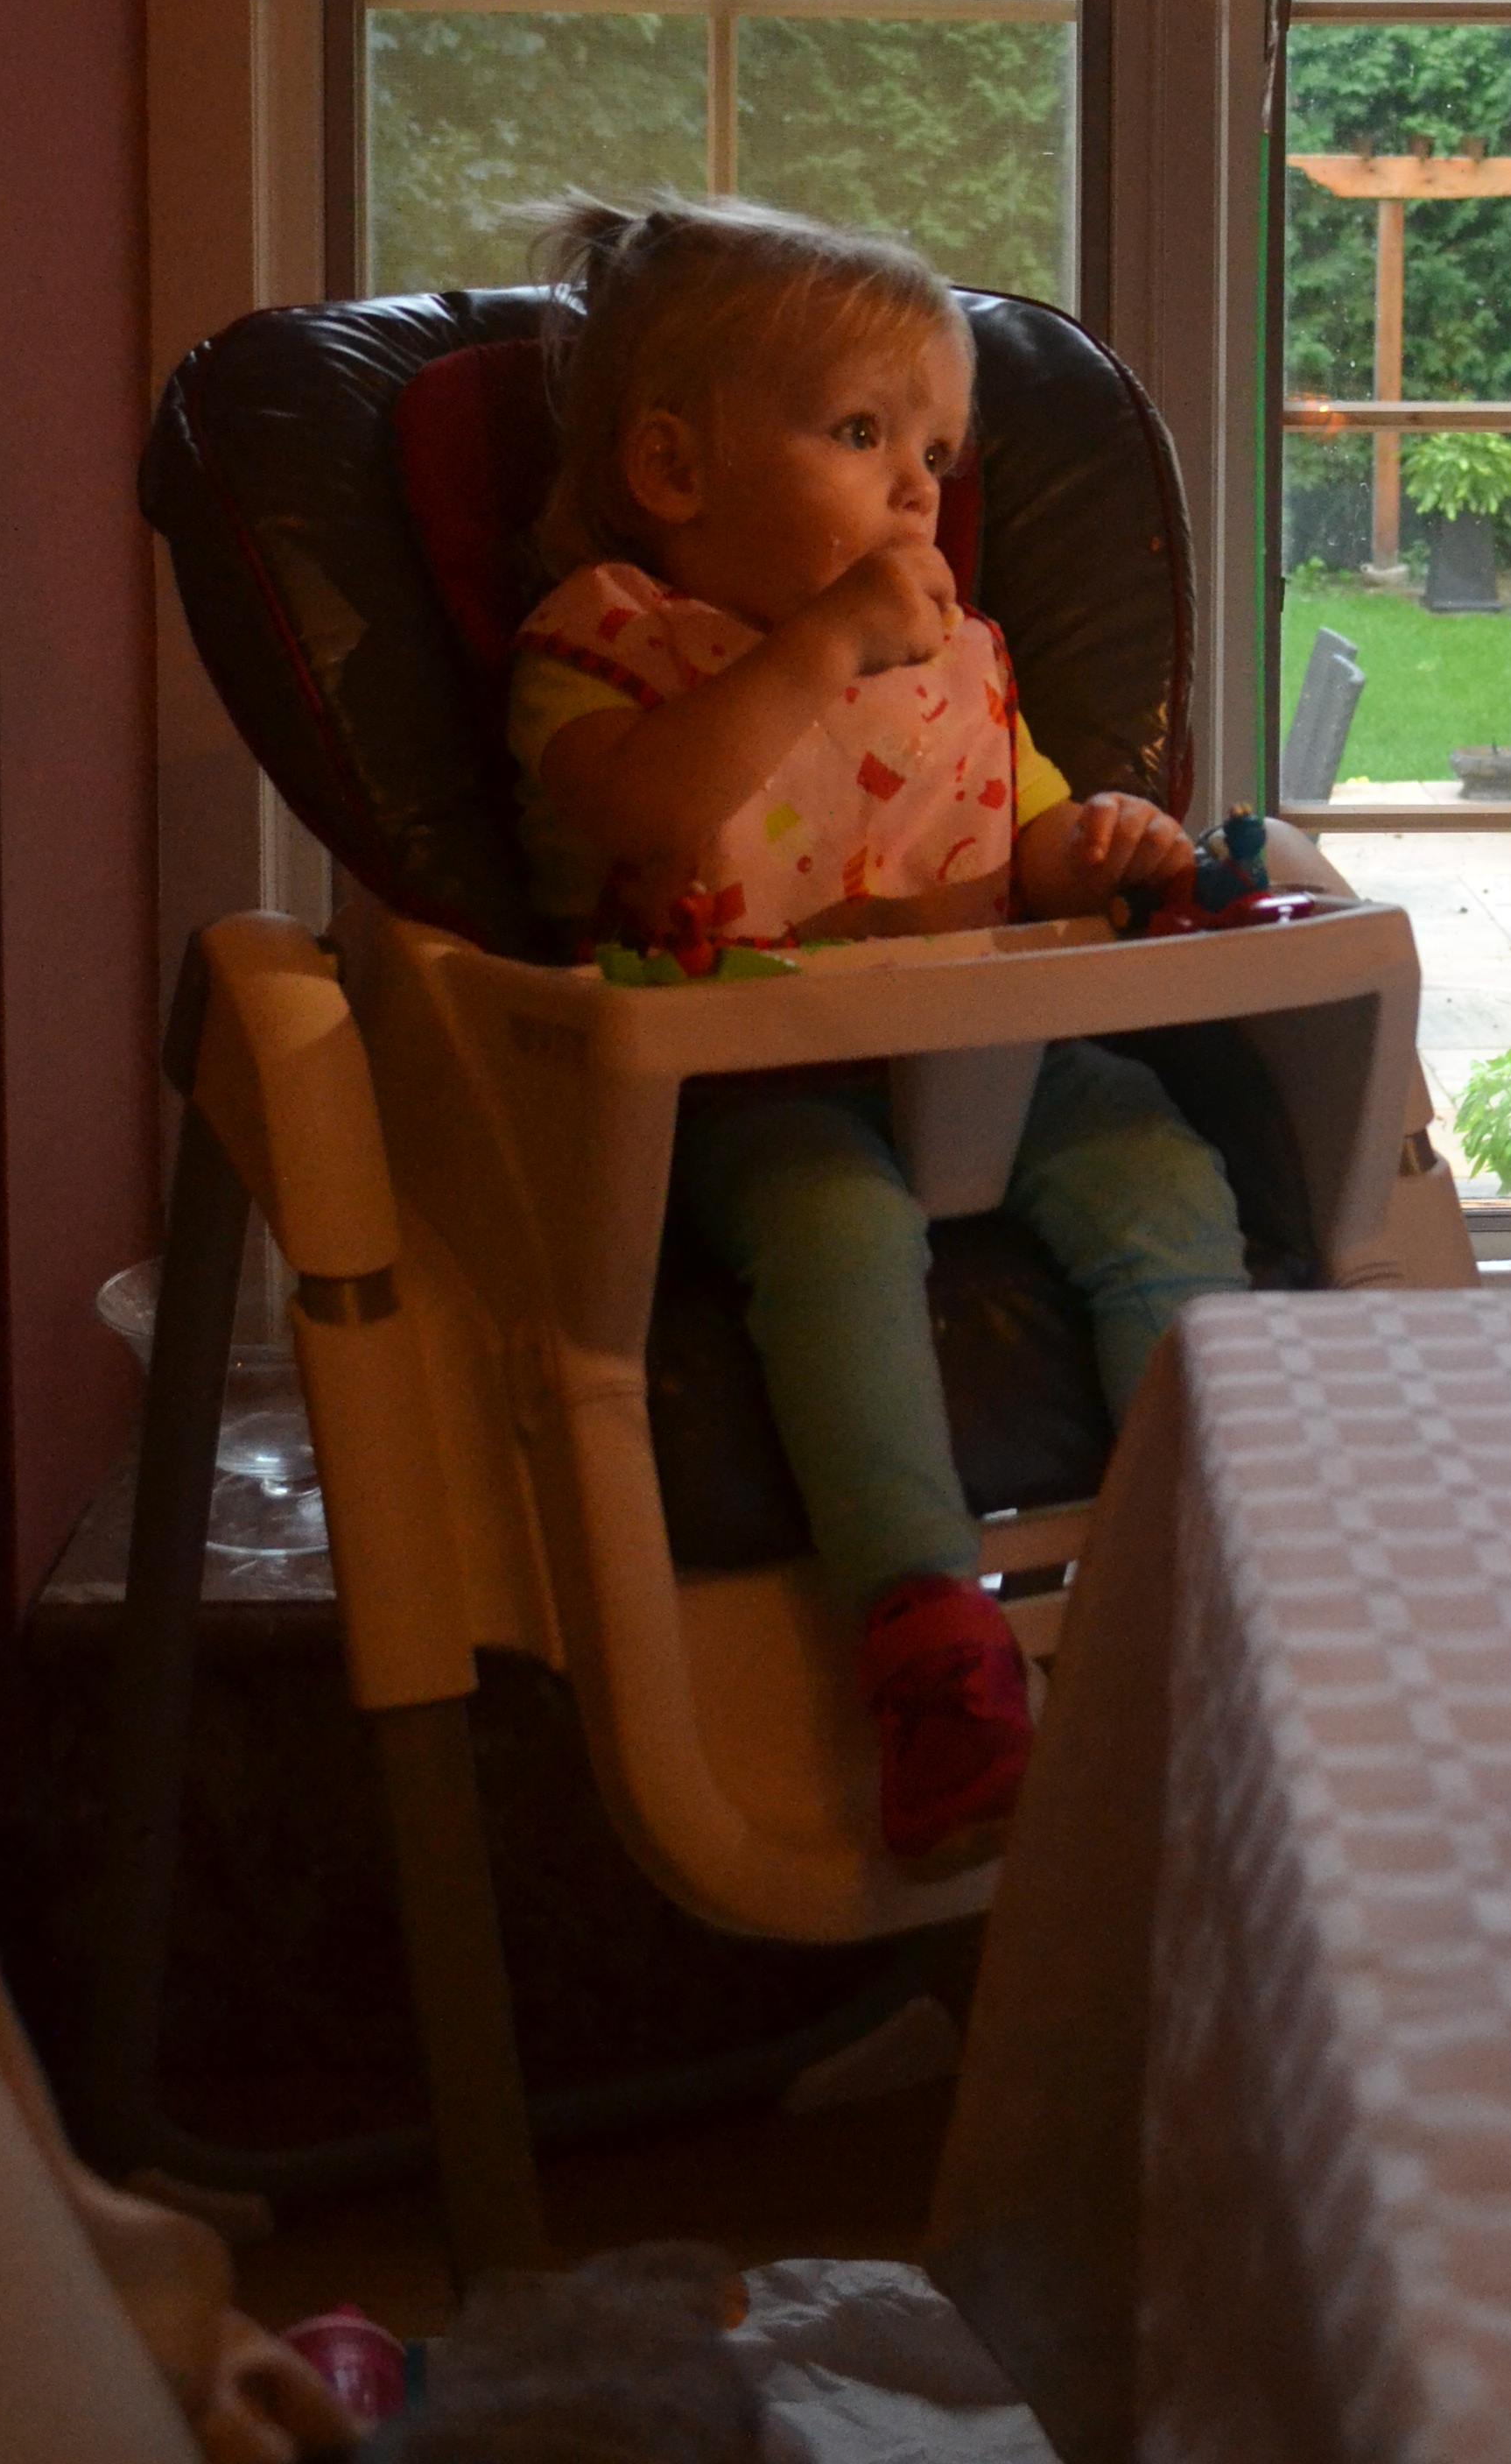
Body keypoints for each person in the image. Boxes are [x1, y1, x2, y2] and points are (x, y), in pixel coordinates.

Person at [507, 196, 1252, 1863]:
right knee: (834, 1231)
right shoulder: (607, 651)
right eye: (861, 435)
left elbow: (1022, 840)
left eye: (935, 451)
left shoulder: (959, 666)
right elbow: (651, 816)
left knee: (1158, 1173)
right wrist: (821, 644)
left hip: (996, 1055)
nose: (921, 490)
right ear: (673, 469)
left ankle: (1203, 1573)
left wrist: (1100, 840)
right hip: (754, 1085)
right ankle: (930, 1639)